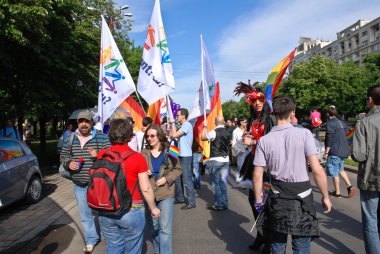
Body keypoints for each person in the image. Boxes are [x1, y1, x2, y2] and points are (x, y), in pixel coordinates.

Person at [253, 96, 332, 254]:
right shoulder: (304, 134)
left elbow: (257, 174)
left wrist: (259, 200)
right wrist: (325, 196)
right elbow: (317, 169)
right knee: (301, 245)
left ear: (274, 113)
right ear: (292, 112)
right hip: (302, 198)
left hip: (277, 198)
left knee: (277, 244)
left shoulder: (264, 140)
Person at [97, 119, 160, 254]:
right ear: (130, 135)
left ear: (110, 134)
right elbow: (146, 188)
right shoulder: (137, 157)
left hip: (106, 209)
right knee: (133, 249)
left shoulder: (102, 155)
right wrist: (153, 207)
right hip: (131, 209)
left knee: (113, 247)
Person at [60, 110, 111, 253]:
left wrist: (98, 155)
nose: (83, 124)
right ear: (77, 122)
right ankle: (91, 239)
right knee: (85, 215)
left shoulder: (101, 137)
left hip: (98, 184)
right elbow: (63, 156)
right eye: (81, 121)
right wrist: (68, 163)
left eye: (86, 121)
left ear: (92, 123)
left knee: (103, 212)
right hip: (79, 184)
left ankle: (109, 236)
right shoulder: (70, 138)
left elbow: (111, 157)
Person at [234, 82, 275, 252]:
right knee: (254, 201)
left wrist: (255, 141)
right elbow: (252, 140)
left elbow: (274, 143)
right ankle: (261, 235)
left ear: (265, 100)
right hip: (253, 164)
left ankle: (270, 242)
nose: (257, 102)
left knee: (267, 205)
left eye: (260, 99)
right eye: (253, 100)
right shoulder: (253, 120)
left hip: (267, 168)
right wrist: (247, 138)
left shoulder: (271, 118)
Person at [141, 124, 182, 254]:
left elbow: (178, 169)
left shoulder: (169, 151)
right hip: (149, 195)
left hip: (166, 193)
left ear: (159, 136)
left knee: (165, 229)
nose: (149, 138)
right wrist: (143, 171)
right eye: (147, 136)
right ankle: (159, 251)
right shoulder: (143, 153)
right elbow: (137, 171)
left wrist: (166, 178)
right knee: (153, 228)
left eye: (152, 135)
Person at [352, 84, 380, 254]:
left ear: (370, 100)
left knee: (371, 222)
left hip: (371, 178)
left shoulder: (363, 123)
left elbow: (359, 156)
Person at [323, 108, 356, 198]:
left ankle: (337, 193)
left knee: (334, 173)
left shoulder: (330, 123)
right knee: (340, 169)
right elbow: (347, 134)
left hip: (334, 151)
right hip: (343, 151)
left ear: (328, 114)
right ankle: (350, 186)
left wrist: (326, 153)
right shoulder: (341, 122)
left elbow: (329, 138)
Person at [201, 116, 232, 210]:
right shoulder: (228, 132)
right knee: (223, 182)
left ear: (215, 122)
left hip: (216, 159)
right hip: (225, 159)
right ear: (224, 122)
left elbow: (202, 138)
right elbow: (230, 143)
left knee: (215, 183)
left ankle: (219, 204)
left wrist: (205, 127)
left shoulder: (214, 132)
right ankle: (225, 203)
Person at [169, 108, 196, 209]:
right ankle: (180, 197)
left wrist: (172, 123)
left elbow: (175, 135)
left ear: (183, 116)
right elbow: (174, 137)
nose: (177, 117)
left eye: (178, 115)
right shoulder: (182, 126)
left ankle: (191, 202)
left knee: (187, 179)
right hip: (179, 154)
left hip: (185, 156)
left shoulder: (187, 125)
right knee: (178, 177)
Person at [231, 116, 249, 183]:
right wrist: (238, 151)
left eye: (246, 122)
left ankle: (243, 178)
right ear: (241, 122)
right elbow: (233, 143)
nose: (246, 123)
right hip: (241, 152)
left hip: (249, 151)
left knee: (247, 167)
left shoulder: (247, 130)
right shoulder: (235, 131)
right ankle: (240, 178)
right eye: (245, 122)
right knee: (241, 166)